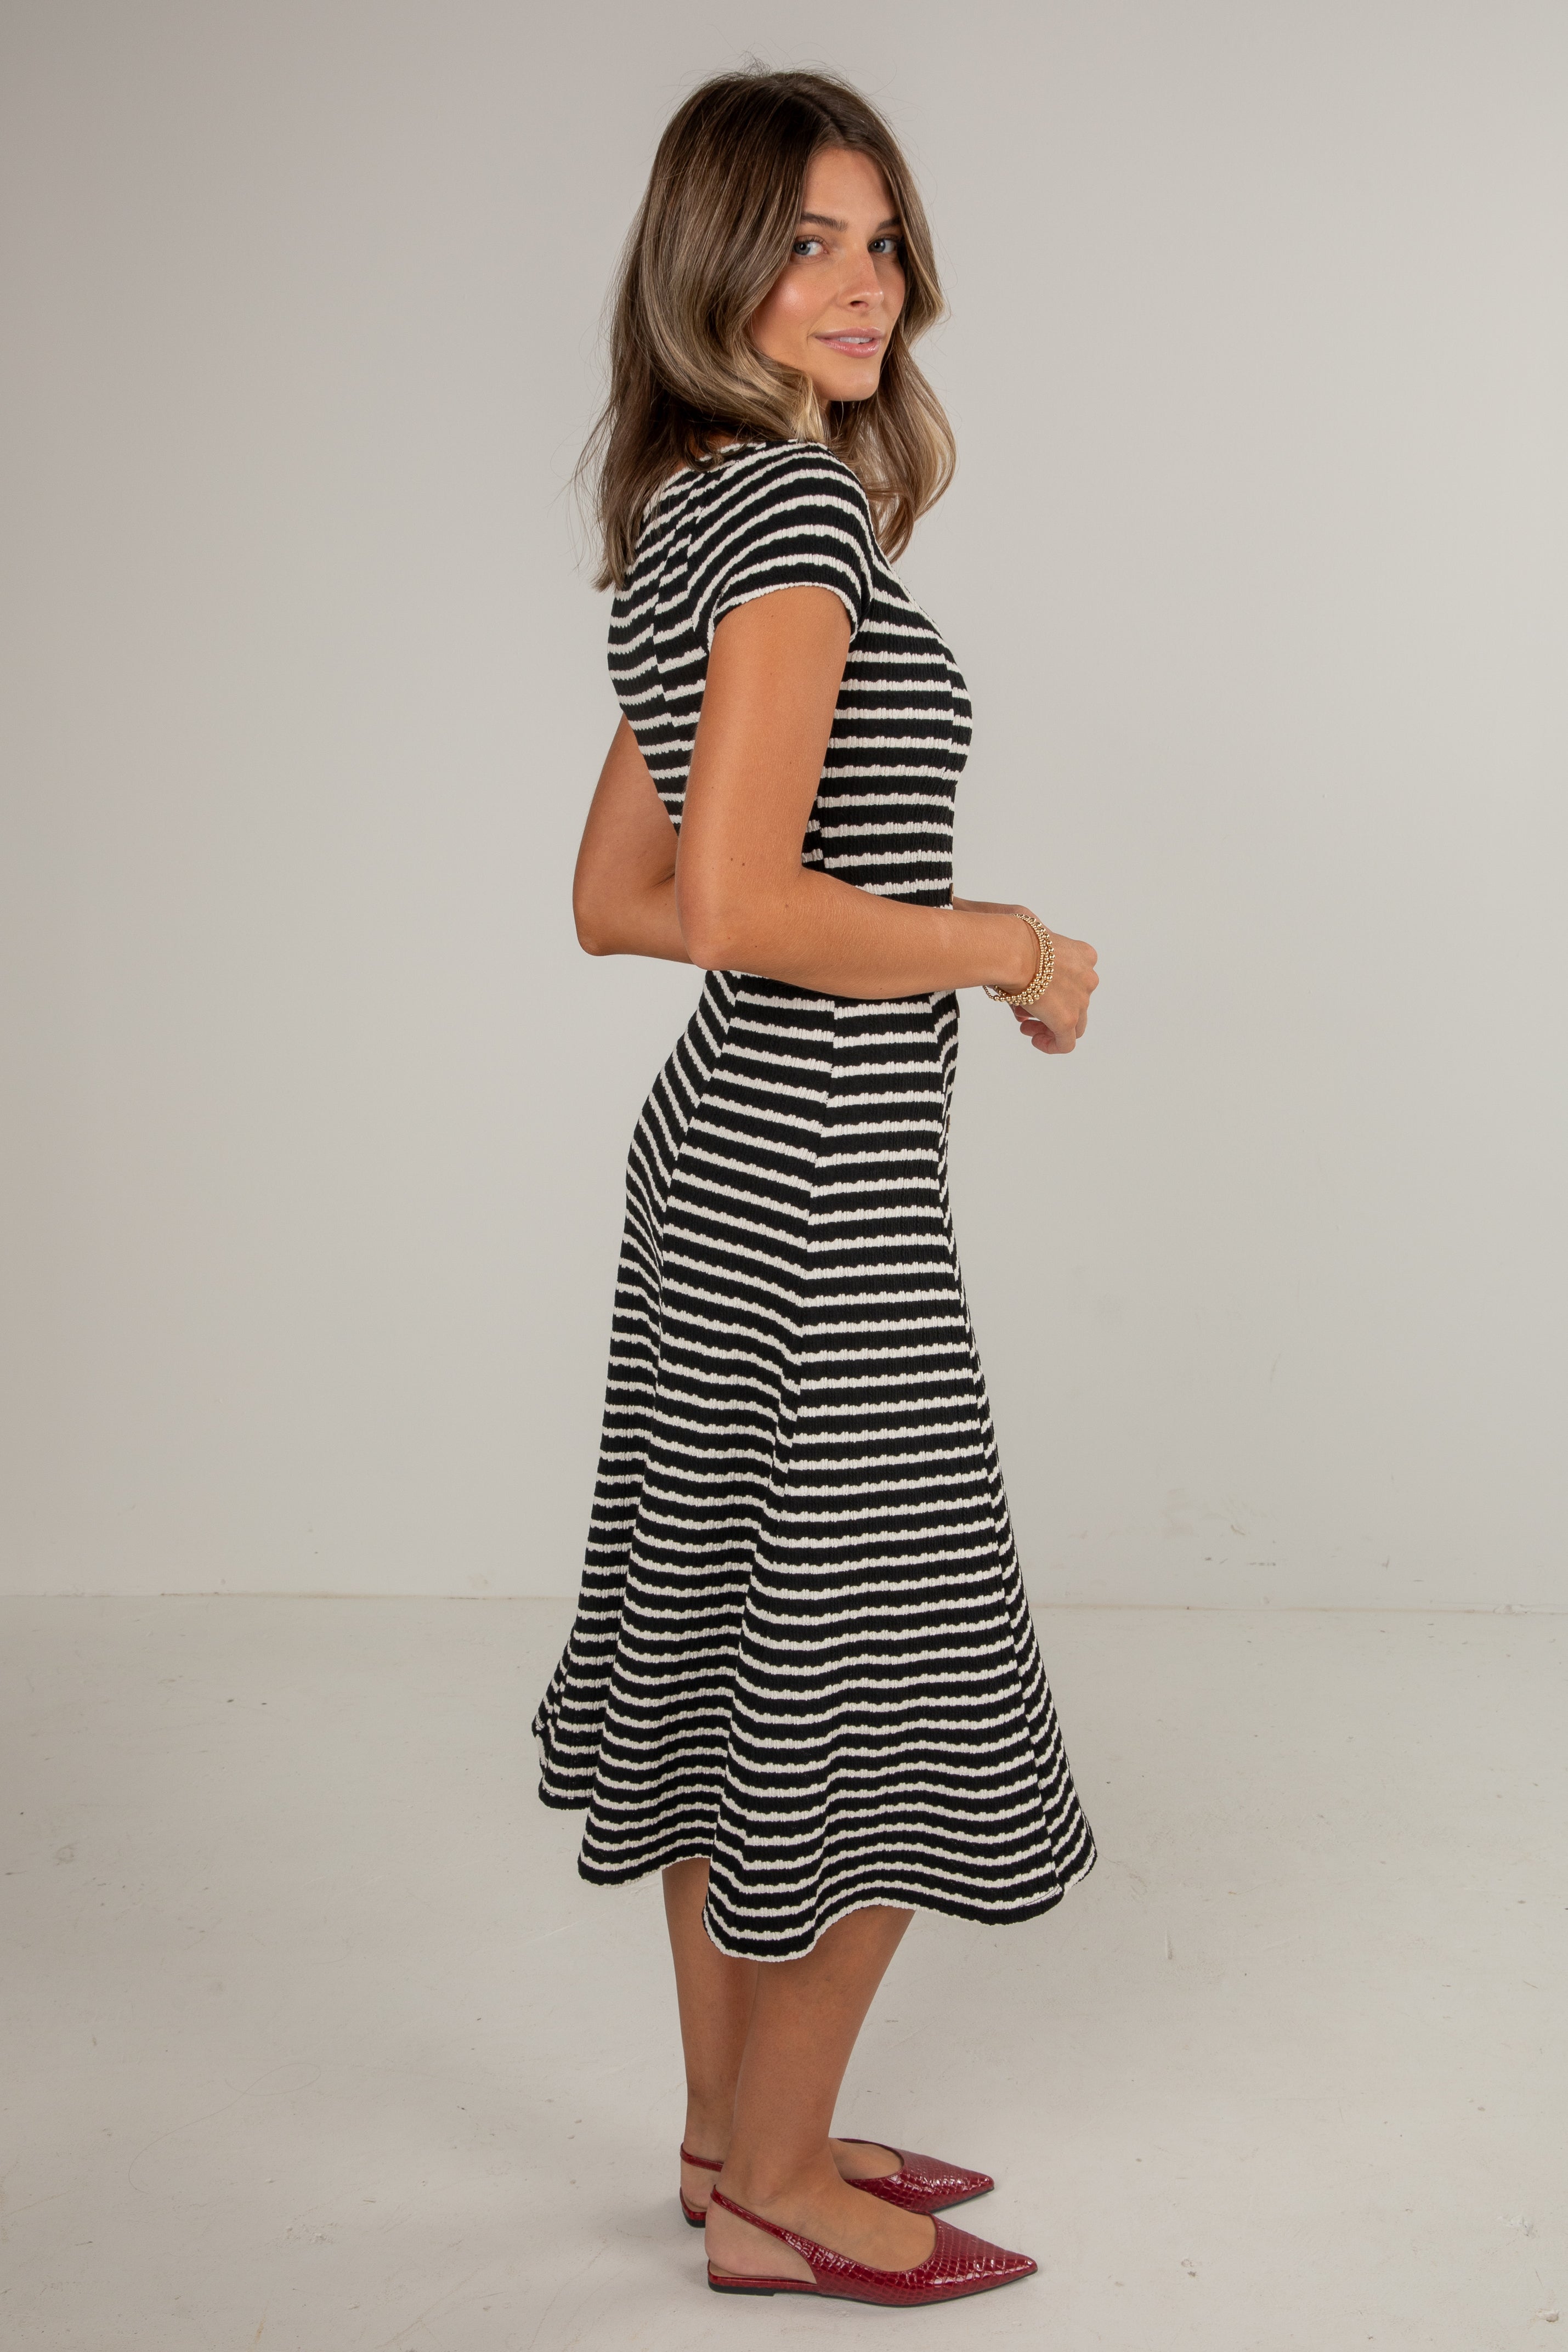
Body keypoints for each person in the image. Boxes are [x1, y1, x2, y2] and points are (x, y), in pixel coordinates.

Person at [534, 66, 1100, 2309]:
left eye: (878, 241)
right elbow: (735, 905)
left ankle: (723, 2136)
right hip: (814, 1198)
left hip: (722, 1167)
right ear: (713, 264)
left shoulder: (695, 511)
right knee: (886, 1690)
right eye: (803, 241)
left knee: (729, 1666)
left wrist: (855, 928)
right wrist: (1002, 944)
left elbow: (618, 899)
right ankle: (777, 2188)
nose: (861, 284)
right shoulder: (783, 524)